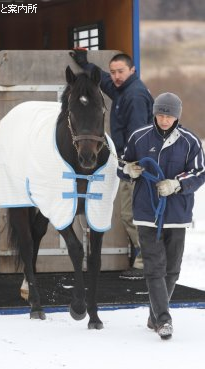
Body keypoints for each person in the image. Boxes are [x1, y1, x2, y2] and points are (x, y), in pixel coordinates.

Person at [121, 92, 205, 339]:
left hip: (177, 213)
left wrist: (176, 184)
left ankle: (155, 314)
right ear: (154, 113)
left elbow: (200, 172)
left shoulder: (190, 141)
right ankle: (164, 321)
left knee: (173, 268)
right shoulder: (139, 136)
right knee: (154, 267)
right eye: (160, 114)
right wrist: (128, 170)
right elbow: (122, 165)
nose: (164, 119)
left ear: (177, 115)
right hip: (147, 212)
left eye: (169, 115)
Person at [70, 48, 154, 279]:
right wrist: (86, 65)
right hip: (132, 162)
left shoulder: (134, 96)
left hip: (137, 165)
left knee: (132, 214)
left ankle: (148, 264)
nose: (116, 76)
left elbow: (137, 135)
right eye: (113, 71)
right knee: (133, 214)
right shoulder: (123, 89)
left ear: (132, 70)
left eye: (121, 71)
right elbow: (105, 82)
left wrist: (128, 163)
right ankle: (149, 261)